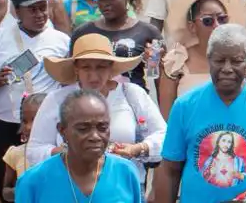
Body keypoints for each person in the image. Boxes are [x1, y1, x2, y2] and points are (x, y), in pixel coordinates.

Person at [155, 24, 246, 203]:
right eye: (219, 60)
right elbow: (170, 169)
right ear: (208, 59)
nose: (227, 68)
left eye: (236, 61)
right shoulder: (185, 106)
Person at [27, 34, 166, 180]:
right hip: (70, 187)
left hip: (124, 186)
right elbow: (34, 151)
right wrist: (65, 153)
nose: (94, 76)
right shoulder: (57, 99)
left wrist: (136, 149)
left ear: (111, 67)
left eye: (100, 67)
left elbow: (163, 135)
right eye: (86, 68)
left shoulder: (132, 94)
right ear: (76, 69)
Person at [0, 0, 71, 197]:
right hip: (6, 123)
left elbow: (69, 80)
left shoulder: (61, 40)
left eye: (42, 7)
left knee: (48, 181)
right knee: (4, 183)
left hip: (48, 124)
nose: (40, 14)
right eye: (33, 9)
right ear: (16, 11)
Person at [158, 0, 246, 117]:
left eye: (222, 19)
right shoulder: (175, 63)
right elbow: (167, 120)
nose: (217, 26)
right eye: (208, 21)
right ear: (192, 26)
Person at [15, 90, 143, 203]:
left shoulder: (125, 172)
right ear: (62, 130)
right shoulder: (33, 182)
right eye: (83, 129)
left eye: (102, 128)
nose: (95, 136)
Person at [70, 0, 161, 91]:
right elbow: (73, 75)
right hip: (93, 102)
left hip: (132, 102)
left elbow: (156, 75)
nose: (105, 3)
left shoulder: (149, 33)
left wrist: (152, 62)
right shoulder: (82, 33)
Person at [1, 92, 45, 200]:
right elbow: (5, 191)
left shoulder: (59, 154)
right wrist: (18, 190)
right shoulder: (15, 154)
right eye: (25, 121)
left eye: (35, 120)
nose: (28, 127)